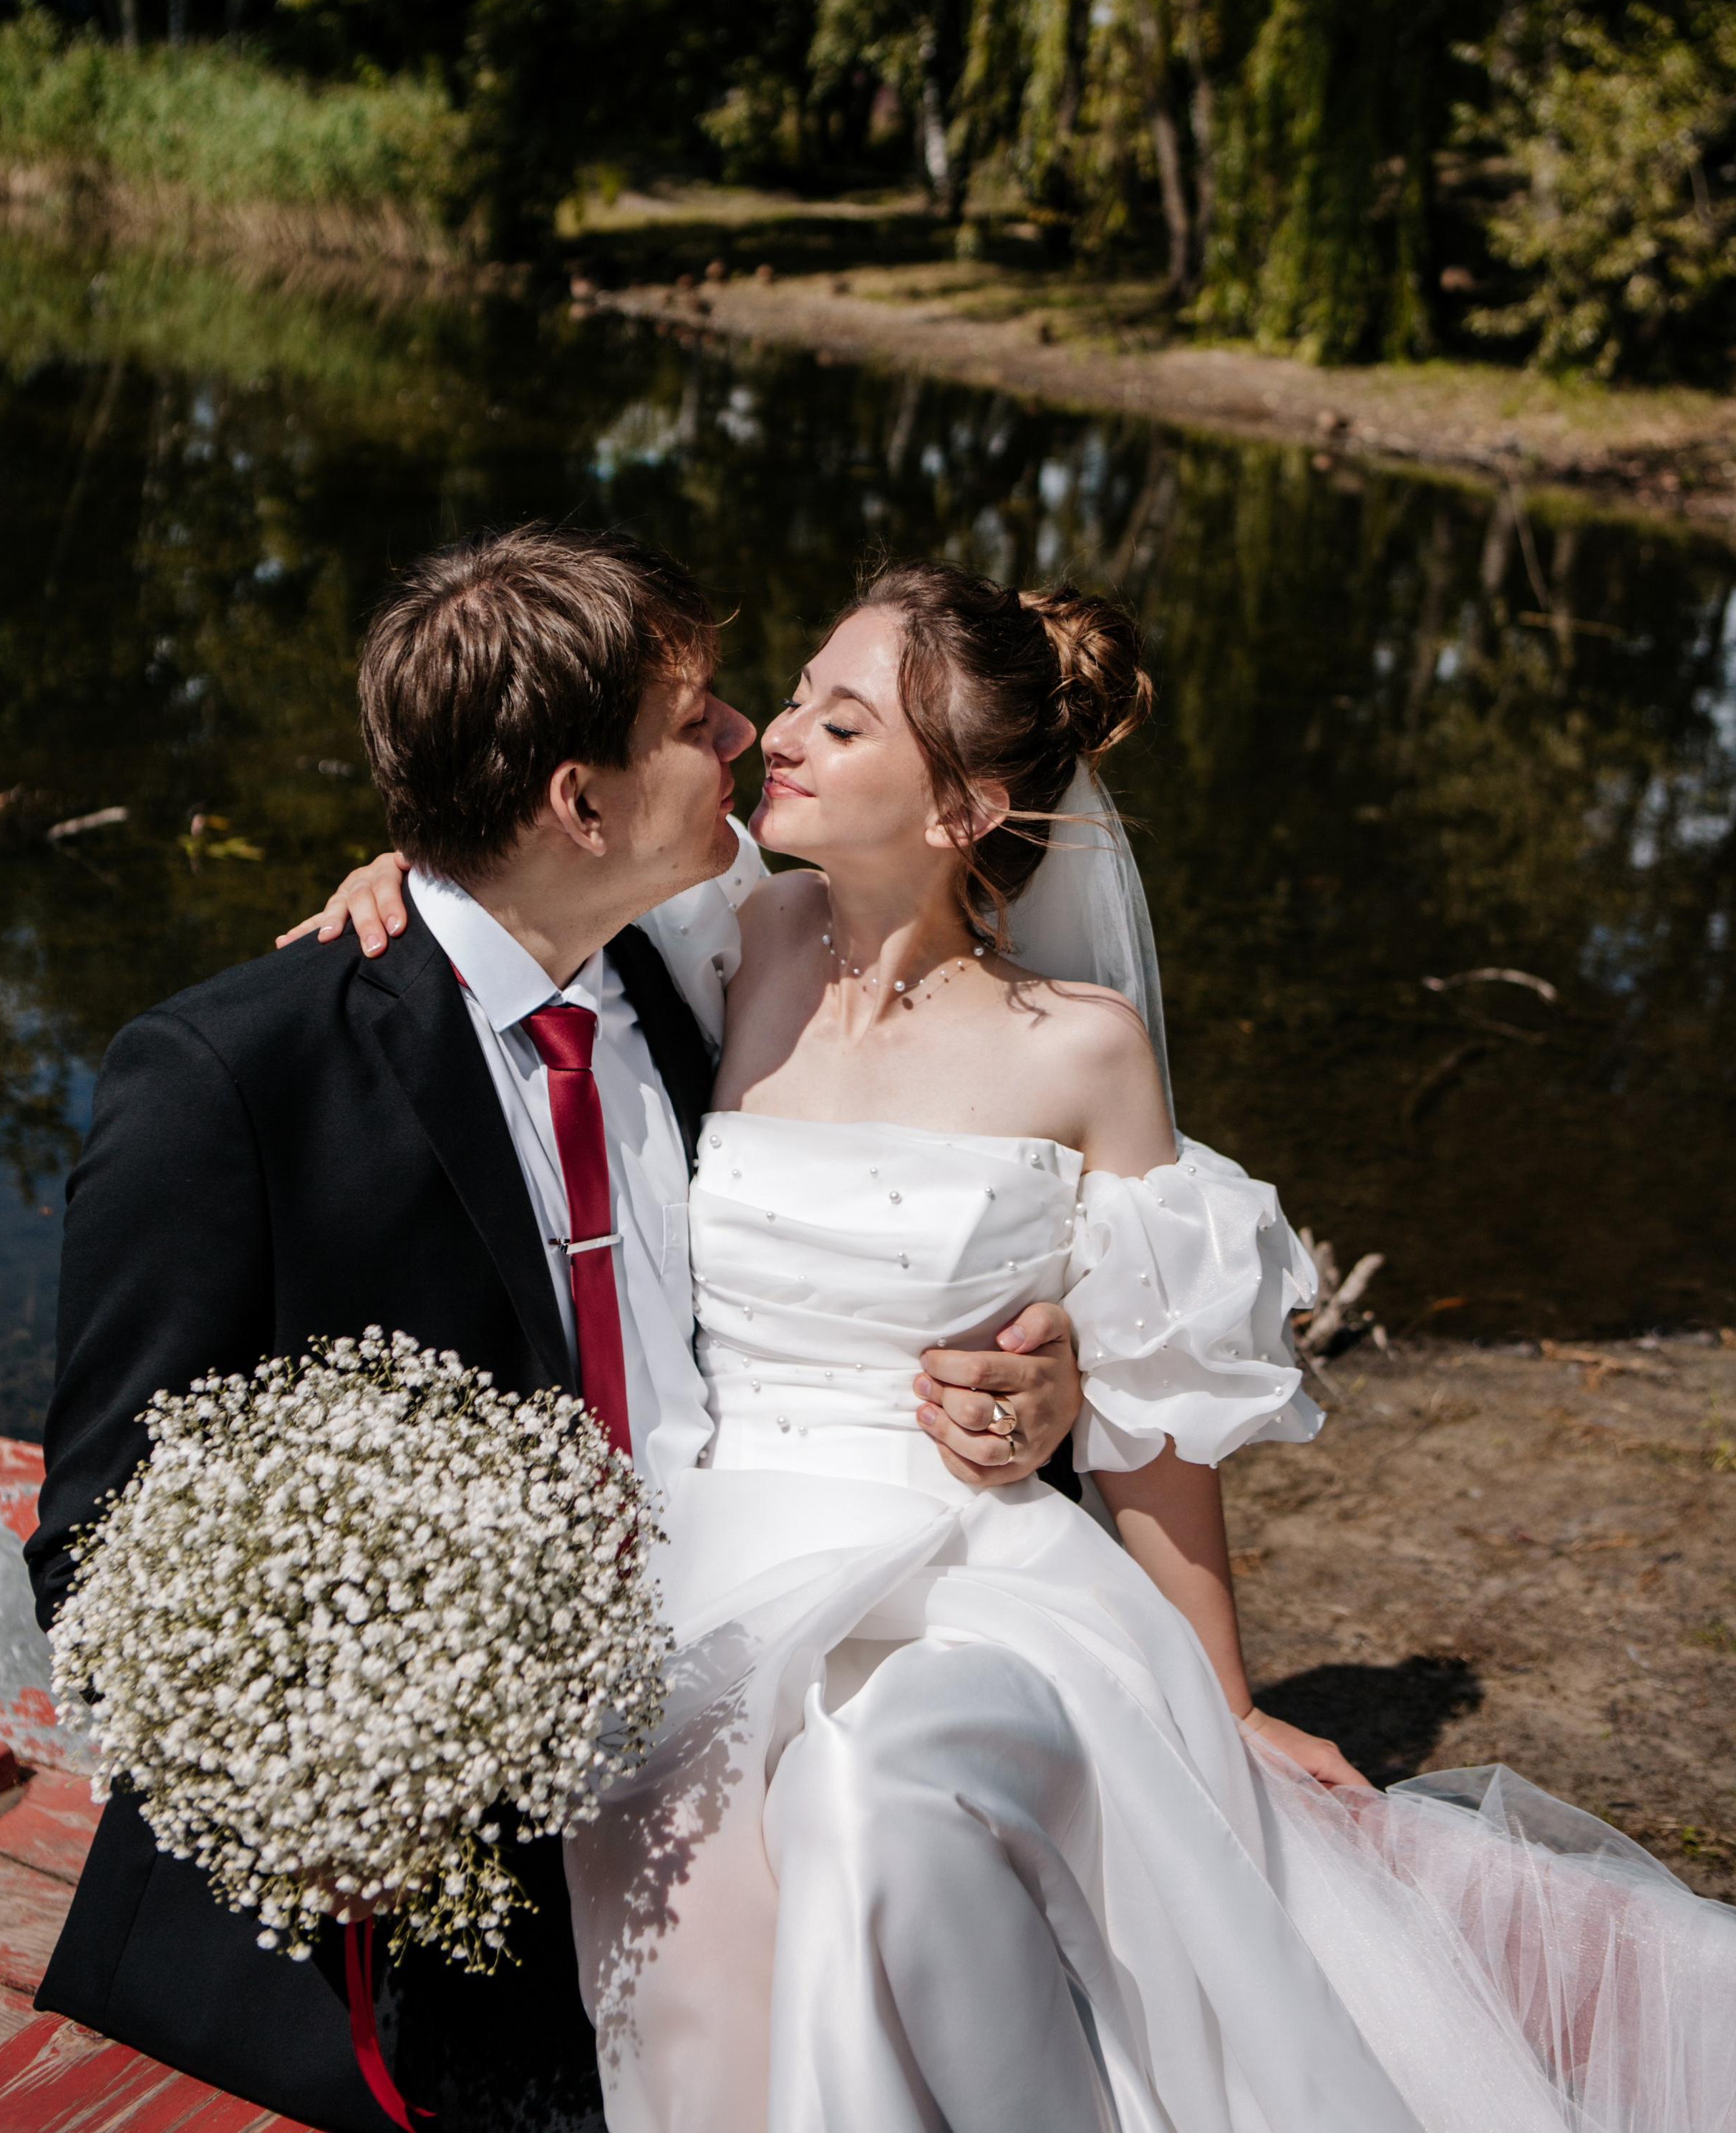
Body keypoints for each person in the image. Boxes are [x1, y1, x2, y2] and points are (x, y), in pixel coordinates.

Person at [322, 559, 1735, 2133]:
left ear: (960, 812)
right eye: (791, 696)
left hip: (975, 1571)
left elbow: (1153, 1405)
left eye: (836, 724)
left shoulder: (1081, 1052)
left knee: (882, 1803)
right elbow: (539, 885)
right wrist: (403, 872)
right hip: (721, 1561)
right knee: (744, 1829)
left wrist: (1224, 1694)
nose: (771, 737)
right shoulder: (719, 938)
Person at [24, 526, 1085, 2133]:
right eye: (695, 720)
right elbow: (101, 1550)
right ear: (577, 805)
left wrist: (1034, 1371)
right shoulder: (237, 1077)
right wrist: (358, 1785)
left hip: (737, 1683)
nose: (744, 740)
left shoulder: (686, 984)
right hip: (422, 1879)